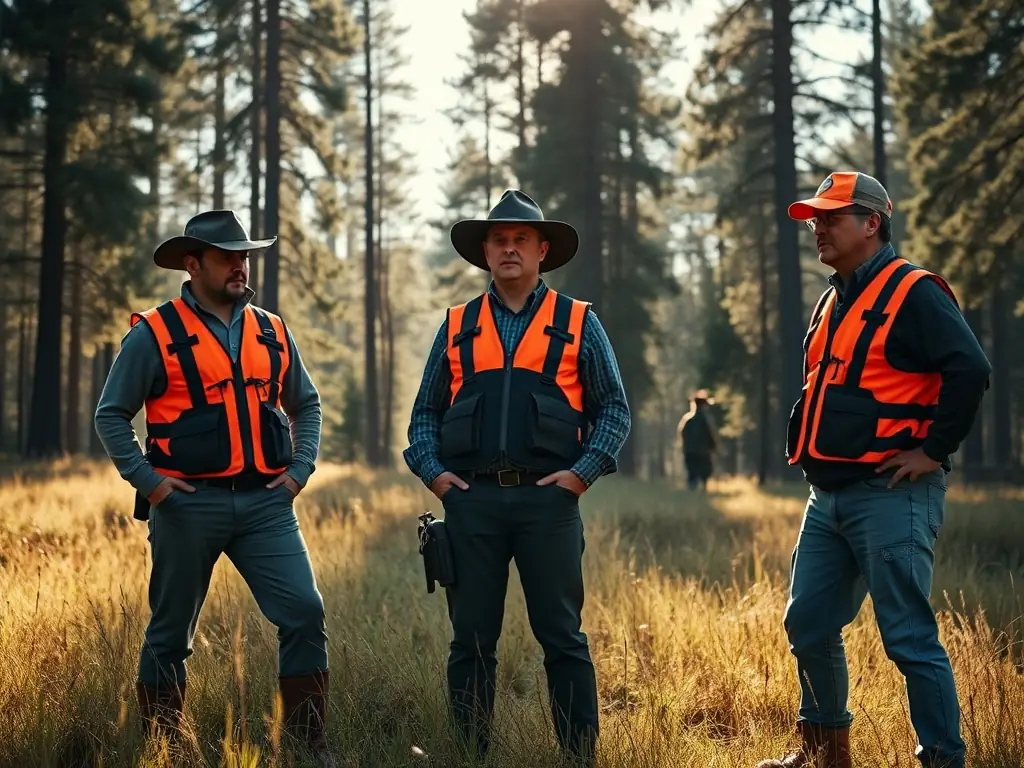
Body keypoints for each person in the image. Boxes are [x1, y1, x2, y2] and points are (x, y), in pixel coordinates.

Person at [755, 173, 991, 768]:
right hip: (826, 496)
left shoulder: (916, 292)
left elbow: (970, 369)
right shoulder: (833, 297)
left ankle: (941, 758)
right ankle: (824, 753)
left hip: (892, 493)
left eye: (831, 217)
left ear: (872, 223)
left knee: (908, 640)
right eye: (815, 219)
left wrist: (933, 451)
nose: (818, 229)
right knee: (806, 624)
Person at [94, 210, 334, 765]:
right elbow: (112, 416)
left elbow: (307, 404)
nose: (239, 265)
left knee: (304, 611)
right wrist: (150, 484)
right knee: (169, 633)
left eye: (244, 255)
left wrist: (299, 471)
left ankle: (308, 744)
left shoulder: (272, 330)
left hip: (267, 505)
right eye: (227, 256)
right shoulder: (153, 333)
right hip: (185, 507)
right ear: (192, 263)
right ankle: (163, 747)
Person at [403, 189, 630, 764]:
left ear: (541, 250)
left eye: (521, 239)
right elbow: (425, 412)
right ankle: (472, 754)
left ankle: (579, 757)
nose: (509, 248)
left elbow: (614, 409)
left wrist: (582, 474)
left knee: (563, 638)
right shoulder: (456, 325)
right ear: (485, 252)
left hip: (548, 504)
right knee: (470, 642)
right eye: (499, 240)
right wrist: (434, 474)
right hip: (472, 503)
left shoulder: (579, 321)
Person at [677, 388, 718, 489]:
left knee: (692, 474)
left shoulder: (687, 420)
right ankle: (703, 489)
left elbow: (683, 436)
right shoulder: (705, 420)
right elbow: (710, 435)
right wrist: (713, 447)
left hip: (690, 452)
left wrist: (685, 449)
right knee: (704, 473)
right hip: (702, 452)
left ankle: (692, 491)